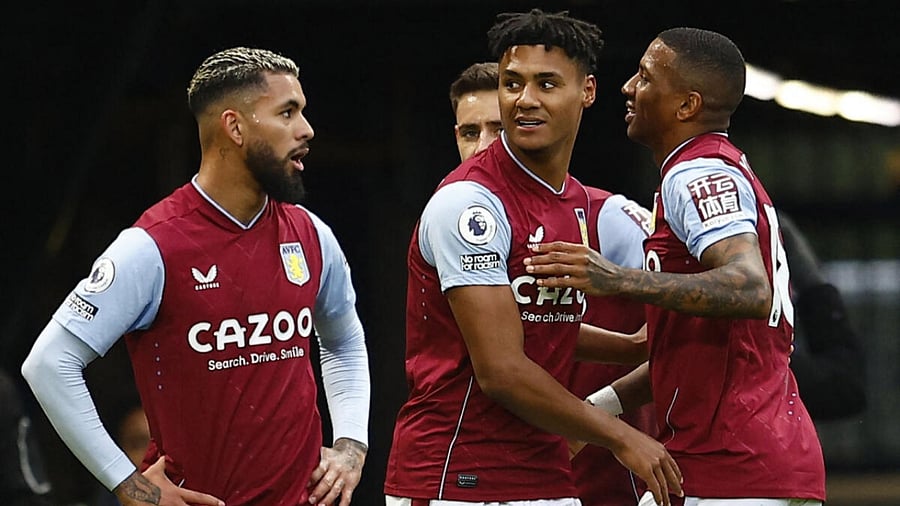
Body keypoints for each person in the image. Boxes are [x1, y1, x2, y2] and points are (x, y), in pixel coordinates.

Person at [21, 46, 370, 506]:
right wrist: (131, 486)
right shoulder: (152, 247)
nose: (306, 130)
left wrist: (350, 444)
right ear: (235, 127)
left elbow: (343, 341)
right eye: (287, 113)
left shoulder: (311, 234)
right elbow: (49, 364)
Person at [385, 9, 682, 506]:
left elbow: (536, 323)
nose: (524, 100)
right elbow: (501, 367)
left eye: (546, 84)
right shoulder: (470, 204)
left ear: (587, 91)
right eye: (512, 83)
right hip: (459, 479)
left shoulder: (568, 200)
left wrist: (630, 347)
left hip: (542, 475)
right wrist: (622, 434)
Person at [526, 28, 826, 505]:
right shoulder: (705, 169)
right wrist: (595, 412)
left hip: (737, 464)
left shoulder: (697, 172)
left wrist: (616, 278)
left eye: (644, 77)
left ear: (686, 106)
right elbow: (679, 350)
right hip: (722, 458)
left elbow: (751, 288)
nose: (627, 87)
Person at [446, 59, 658, 506]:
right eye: (469, 132)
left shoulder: (606, 215)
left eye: (495, 129)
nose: (483, 146)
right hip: (481, 471)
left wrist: (629, 353)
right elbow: (502, 360)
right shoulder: (457, 216)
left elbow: (698, 319)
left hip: (608, 473)